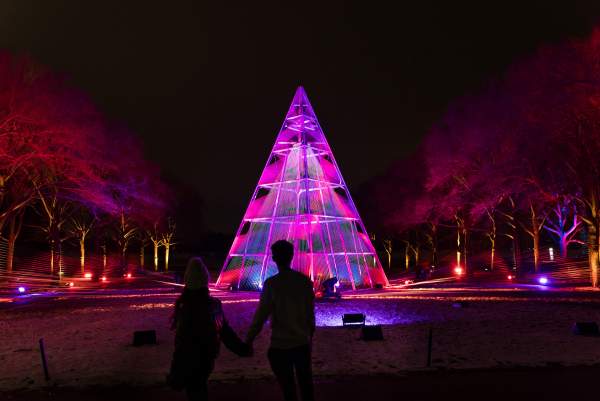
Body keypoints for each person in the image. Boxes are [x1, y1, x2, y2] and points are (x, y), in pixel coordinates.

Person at [168, 257, 251, 401]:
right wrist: (241, 348)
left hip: (190, 361)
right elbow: (225, 331)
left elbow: (182, 343)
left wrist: (176, 370)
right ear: (205, 282)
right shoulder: (213, 305)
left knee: (196, 392)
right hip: (207, 358)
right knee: (200, 390)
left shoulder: (186, 308)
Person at [246, 240, 316, 401]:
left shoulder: (272, 284)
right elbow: (310, 314)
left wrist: (250, 338)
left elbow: (261, 315)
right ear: (291, 256)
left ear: (274, 258)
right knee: (306, 388)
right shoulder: (305, 282)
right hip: (301, 343)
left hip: (280, 345)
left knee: (288, 390)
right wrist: (309, 336)